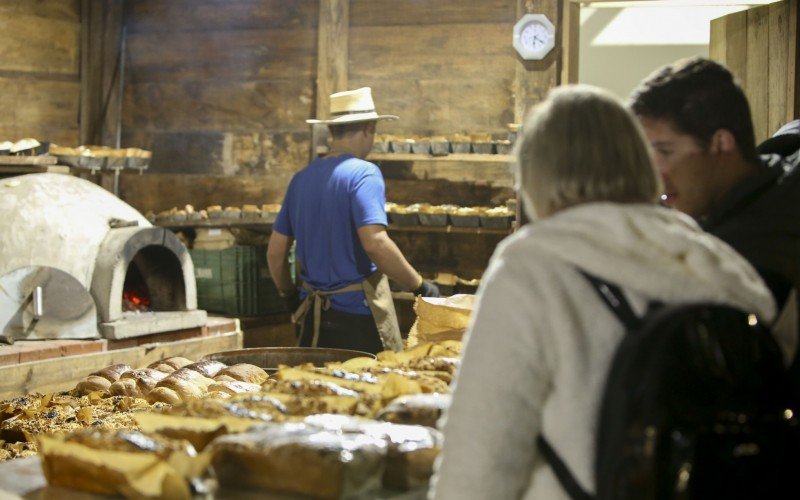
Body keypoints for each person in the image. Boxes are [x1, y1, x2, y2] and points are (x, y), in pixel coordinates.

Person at [429, 85, 778, 499]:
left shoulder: (533, 264)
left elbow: (480, 458)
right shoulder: (717, 262)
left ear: (536, 174)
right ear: (640, 161)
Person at [629, 57, 800, 365]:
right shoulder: (770, 170)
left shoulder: (760, 259)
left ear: (721, 143)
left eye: (666, 151)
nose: (655, 173)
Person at [267, 87, 439, 355]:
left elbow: (276, 253)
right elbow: (376, 244)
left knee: (313, 393)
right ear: (369, 129)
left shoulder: (301, 179)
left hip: (312, 319)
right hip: (357, 319)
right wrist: (419, 285)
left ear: (332, 132)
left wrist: (289, 297)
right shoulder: (364, 174)